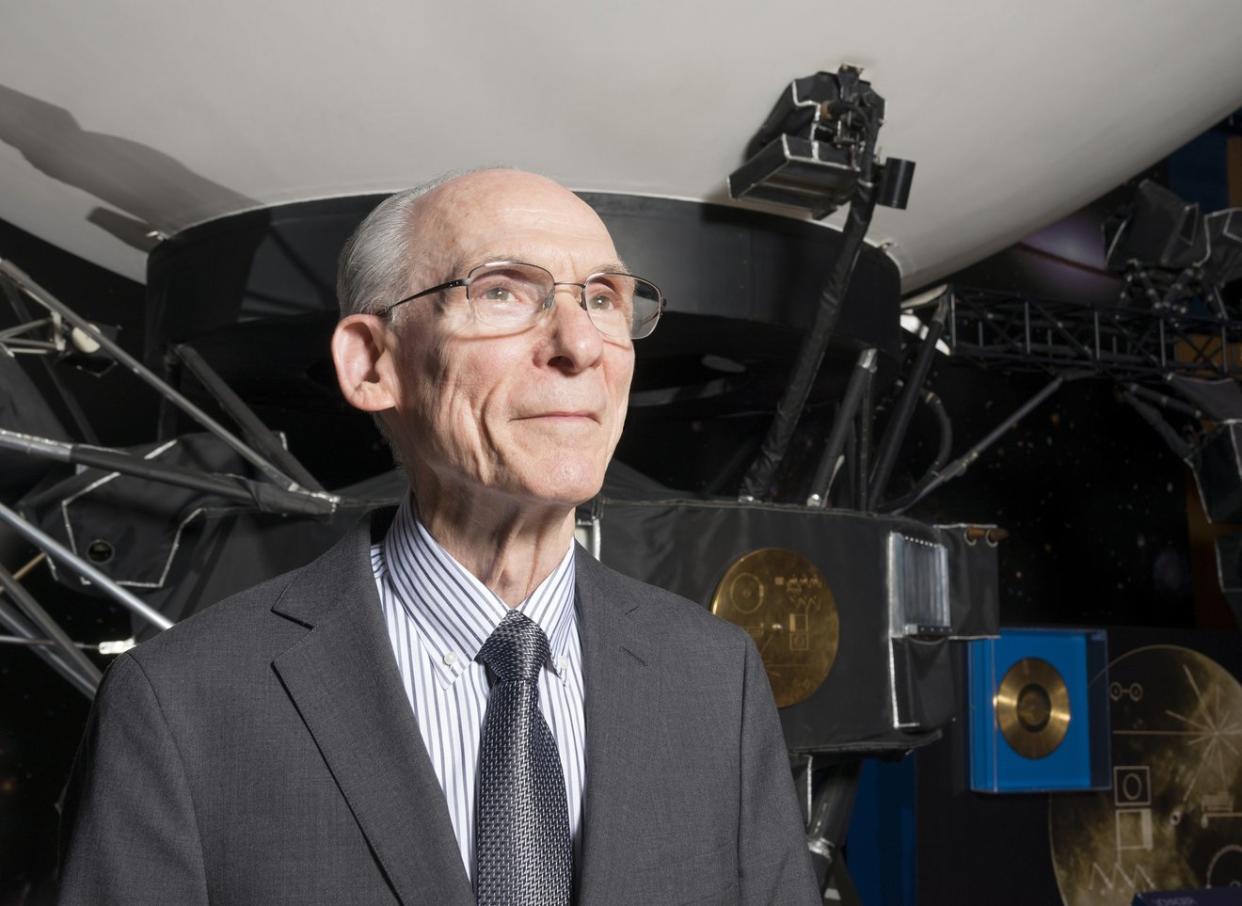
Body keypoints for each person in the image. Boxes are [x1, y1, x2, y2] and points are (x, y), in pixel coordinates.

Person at [57, 169, 819, 905]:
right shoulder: (184, 703)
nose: (578, 344)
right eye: (499, 291)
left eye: (603, 298)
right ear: (371, 364)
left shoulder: (717, 679)